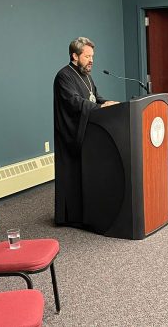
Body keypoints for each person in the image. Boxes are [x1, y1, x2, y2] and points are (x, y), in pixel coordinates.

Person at [53, 37, 118, 227]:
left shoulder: (86, 75)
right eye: (87, 56)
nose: (91, 60)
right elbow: (74, 102)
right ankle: (70, 216)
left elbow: (94, 97)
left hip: (89, 131)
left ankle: (87, 211)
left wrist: (108, 104)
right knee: (72, 176)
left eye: (92, 56)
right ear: (75, 55)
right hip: (72, 133)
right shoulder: (64, 76)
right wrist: (100, 107)